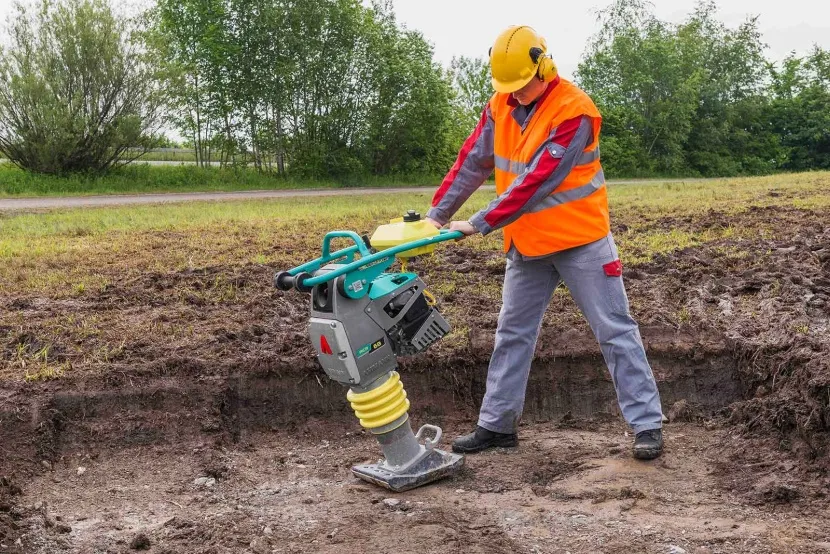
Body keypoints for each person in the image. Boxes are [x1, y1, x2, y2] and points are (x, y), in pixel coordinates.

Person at [424, 25, 665, 460]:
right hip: (528, 246)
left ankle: (646, 425)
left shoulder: (575, 112)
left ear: (544, 65)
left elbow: (536, 182)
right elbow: (472, 162)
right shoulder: (500, 105)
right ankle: (497, 426)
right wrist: (434, 217)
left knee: (614, 330)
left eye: (520, 86)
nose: (514, 94)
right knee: (512, 333)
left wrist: (478, 222)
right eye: (507, 88)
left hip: (581, 242)